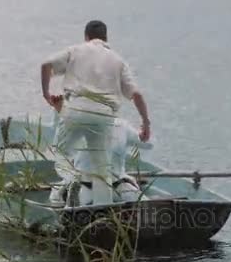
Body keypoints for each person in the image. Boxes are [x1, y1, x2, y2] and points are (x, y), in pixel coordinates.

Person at [41, 20, 151, 205]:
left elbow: (46, 65)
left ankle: (69, 188)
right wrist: (146, 123)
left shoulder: (75, 51)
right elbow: (137, 94)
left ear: (86, 37)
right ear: (106, 38)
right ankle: (103, 210)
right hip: (104, 117)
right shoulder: (118, 60)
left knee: (61, 152)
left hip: (76, 111)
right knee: (101, 168)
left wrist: (46, 94)